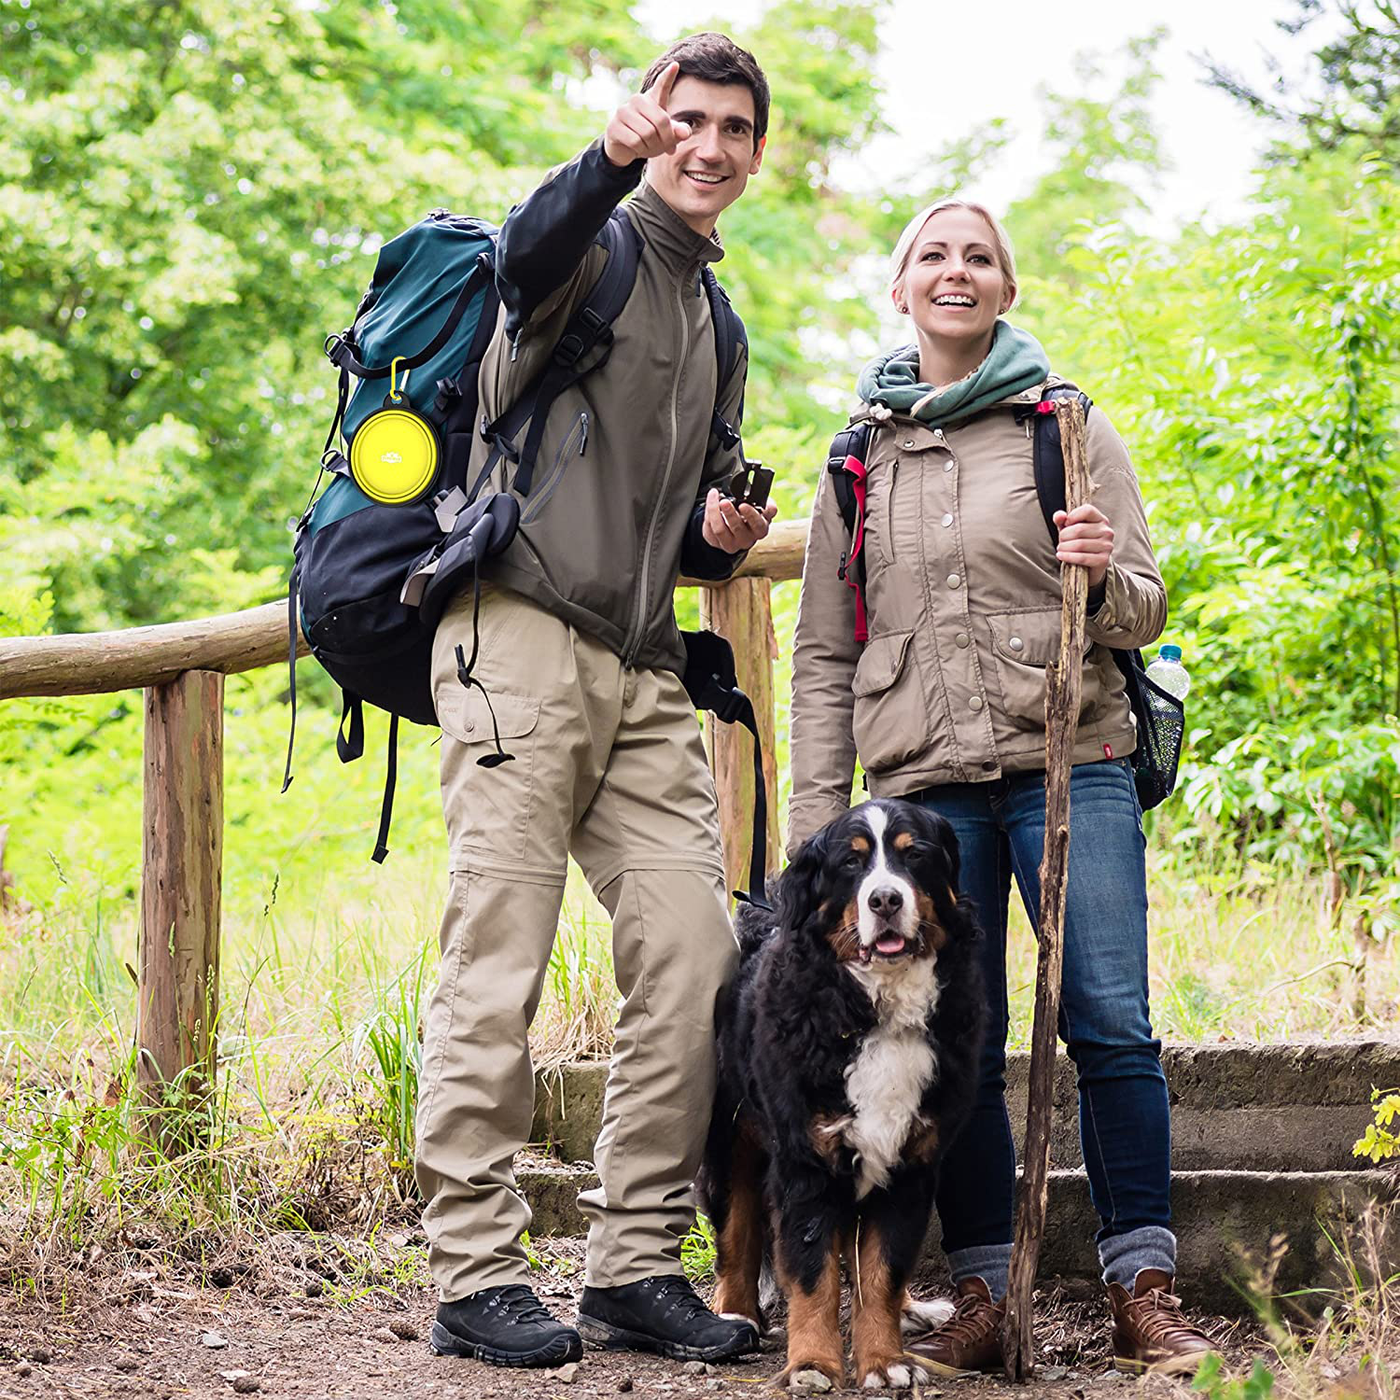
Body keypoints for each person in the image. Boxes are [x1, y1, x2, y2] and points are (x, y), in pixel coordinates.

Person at [787, 198, 1218, 1376]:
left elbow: (1143, 598)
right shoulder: (855, 455)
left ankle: (1141, 1281)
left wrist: (1100, 569)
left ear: (1004, 288)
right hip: (919, 798)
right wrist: (820, 821)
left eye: (977, 257)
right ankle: (982, 1286)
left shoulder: (1062, 424)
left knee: (1107, 1021)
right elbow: (823, 651)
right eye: (933, 255)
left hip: (1062, 763)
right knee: (954, 1045)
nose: (955, 271)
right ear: (900, 287)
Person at [414, 33, 777, 1370]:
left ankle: (632, 1265)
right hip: (514, 640)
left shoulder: (716, 318)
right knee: (496, 956)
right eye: (688, 120)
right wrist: (603, 158)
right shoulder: (597, 248)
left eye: (735, 128)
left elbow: (673, 533)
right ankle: (471, 1273)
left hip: (643, 667)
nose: (711, 146)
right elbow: (523, 258)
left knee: (696, 951)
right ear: (651, 125)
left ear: (754, 149)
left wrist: (720, 535)